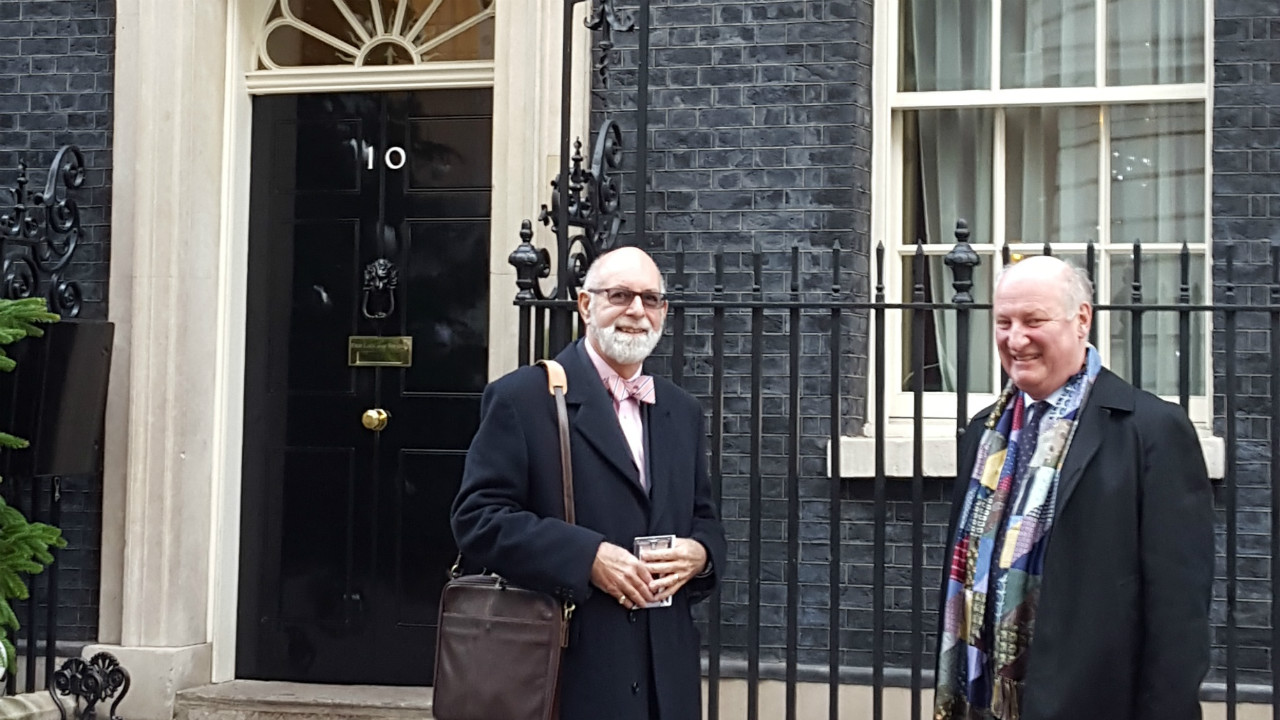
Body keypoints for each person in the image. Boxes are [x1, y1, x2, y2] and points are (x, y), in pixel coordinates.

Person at [933, 255, 1214, 720]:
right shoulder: (982, 434)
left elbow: (1177, 615)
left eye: (1033, 320)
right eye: (1003, 321)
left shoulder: (1151, 429)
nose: (1015, 338)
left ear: (1081, 319)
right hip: (982, 704)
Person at [452, 246, 727, 720]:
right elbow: (478, 520)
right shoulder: (522, 398)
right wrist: (587, 557)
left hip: (667, 680)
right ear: (585, 305)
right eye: (620, 295)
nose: (637, 311)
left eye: (651, 299)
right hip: (572, 674)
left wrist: (701, 555)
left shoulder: (682, 411)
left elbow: (705, 518)